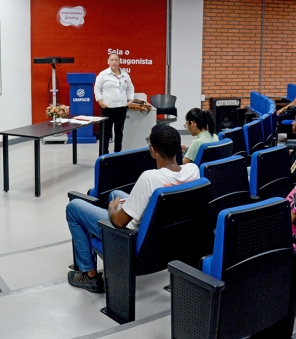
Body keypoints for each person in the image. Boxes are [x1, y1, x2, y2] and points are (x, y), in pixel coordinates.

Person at [65, 124, 200, 293]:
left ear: (154, 150)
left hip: (130, 239)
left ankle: (89, 274)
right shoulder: (193, 171)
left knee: (73, 207)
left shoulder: (150, 178)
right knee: (115, 194)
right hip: (168, 238)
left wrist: (113, 209)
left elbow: (120, 222)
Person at [94, 53, 135, 154]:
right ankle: (104, 156)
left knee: (119, 132)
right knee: (106, 133)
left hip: (122, 108)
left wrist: (131, 100)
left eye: (116, 60)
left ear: (119, 61)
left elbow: (130, 88)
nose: (114, 62)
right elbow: (97, 88)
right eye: (112, 60)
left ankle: (117, 154)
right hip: (108, 108)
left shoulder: (125, 75)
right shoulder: (103, 74)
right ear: (108, 62)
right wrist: (100, 101)